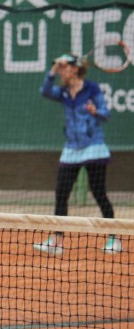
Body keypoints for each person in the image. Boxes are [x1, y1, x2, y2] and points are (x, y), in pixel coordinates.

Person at [34, 53, 122, 255]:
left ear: (74, 69)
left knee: (98, 193)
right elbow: (45, 91)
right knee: (61, 194)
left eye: (63, 68)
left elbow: (105, 113)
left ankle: (114, 238)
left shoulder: (92, 89)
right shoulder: (64, 92)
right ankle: (56, 241)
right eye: (59, 69)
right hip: (71, 149)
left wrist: (95, 111)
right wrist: (52, 70)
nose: (61, 72)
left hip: (94, 147)